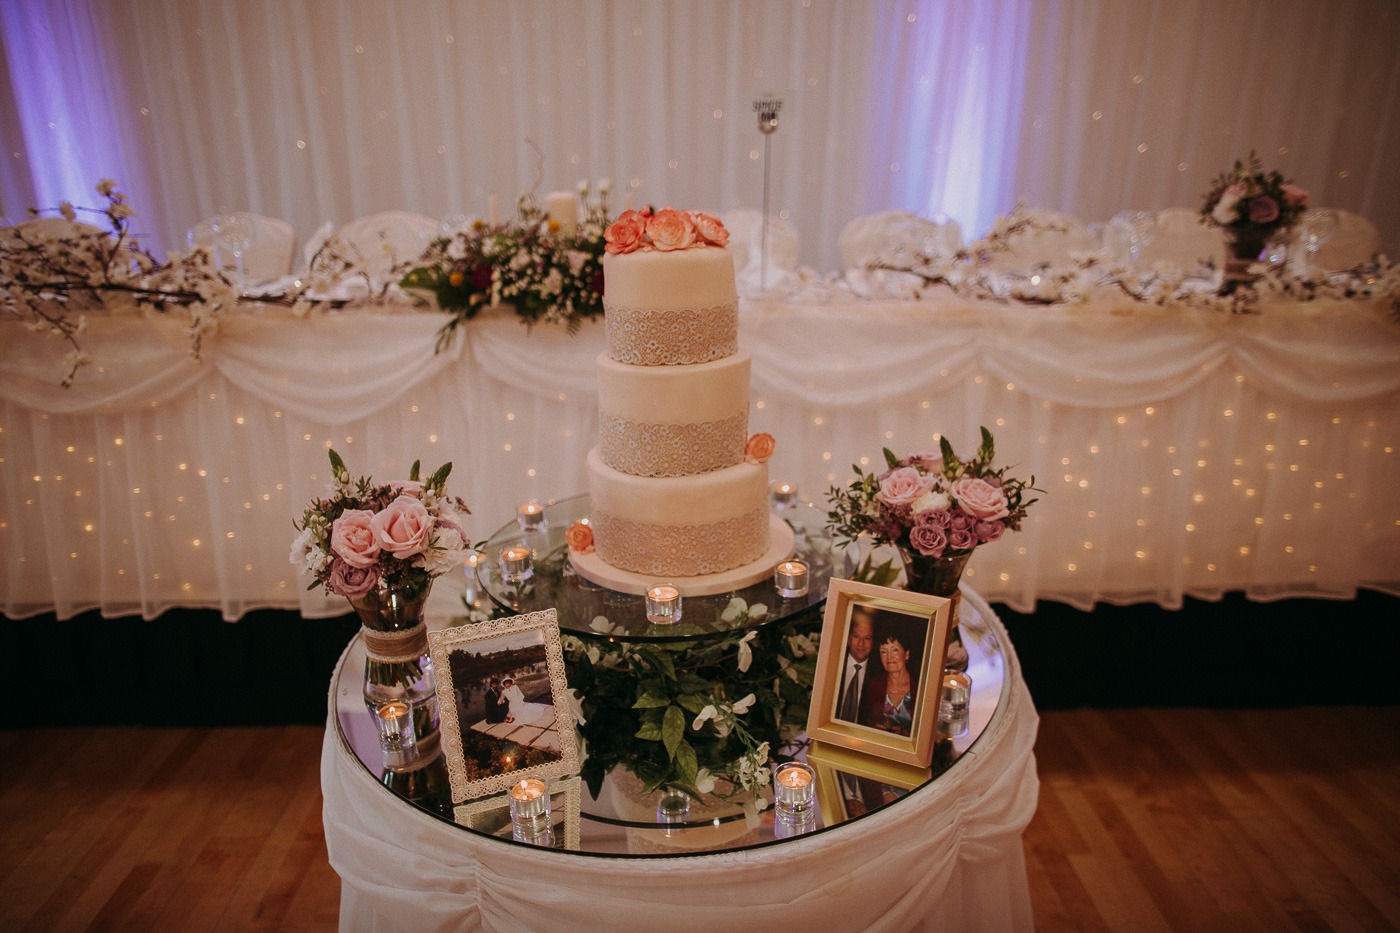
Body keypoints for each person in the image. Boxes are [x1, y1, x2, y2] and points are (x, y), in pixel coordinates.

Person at [859, 629, 918, 736]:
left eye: (895, 650)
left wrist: (906, 736)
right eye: (883, 651)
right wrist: (874, 729)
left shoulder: (921, 687)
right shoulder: (874, 686)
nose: (889, 657)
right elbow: (864, 723)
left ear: (906, 654)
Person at [835, 606, 875, 724]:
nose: (861, 644)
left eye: (867, 638)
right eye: (856, 636)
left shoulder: (877, 676)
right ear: (848, 639)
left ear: (873, 643)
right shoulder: (834, 665)